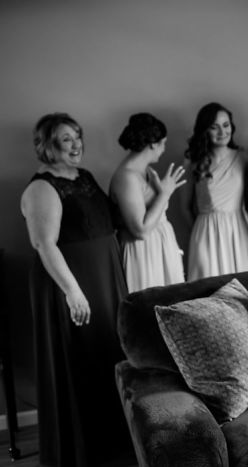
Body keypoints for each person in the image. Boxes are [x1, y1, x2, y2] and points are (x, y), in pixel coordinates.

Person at [20, 113, 133, 466]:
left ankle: (113, 445)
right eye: (66, 139)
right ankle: (83, 452)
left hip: (103, 279)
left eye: (77, 136)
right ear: (47, 146)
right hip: (71, 284)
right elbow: (44, 244)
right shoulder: (41, 188)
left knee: (106, 353)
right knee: (79, 360)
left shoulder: (84, 177)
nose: (76, 144)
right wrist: (73, 292)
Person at [110, 112, 186, 292]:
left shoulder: (149, 172)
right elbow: (141, 231)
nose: (164, 149)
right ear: (153, 143)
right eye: (163, 143)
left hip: (161, 247)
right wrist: (165, 194)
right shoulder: (126, 178)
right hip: (143, 253)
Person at [182, 102, 248, 280]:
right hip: (205, 232)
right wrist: (200, 231)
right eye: (214, 127)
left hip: (238, 231)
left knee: (242, 285)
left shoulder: (243, 157)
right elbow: (184, 207)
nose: (222, 132)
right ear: (204, 130)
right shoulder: (193, 161)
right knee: (207, 285)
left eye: (226, 125)